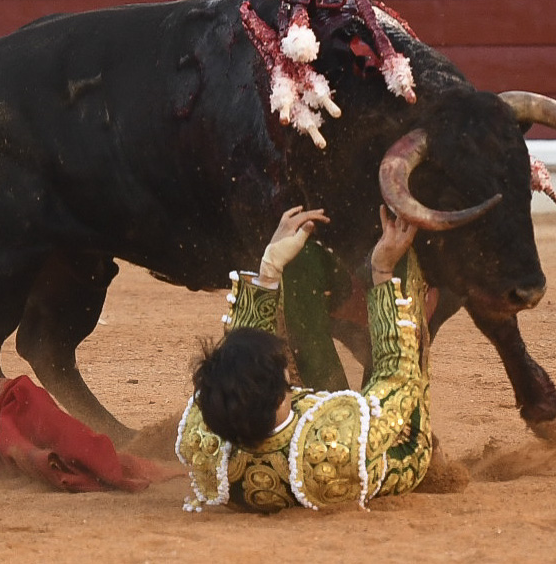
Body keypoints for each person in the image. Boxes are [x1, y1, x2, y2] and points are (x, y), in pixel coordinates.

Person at [176, 204, 434, 512]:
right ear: (285, 392)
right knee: (401, 268)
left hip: (302, 431)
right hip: (394, 446)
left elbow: (237, 358)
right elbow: (396, 376)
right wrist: (382, 270)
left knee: (296, 263)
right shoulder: (339, 445)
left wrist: (270, 267)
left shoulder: (209, 443)